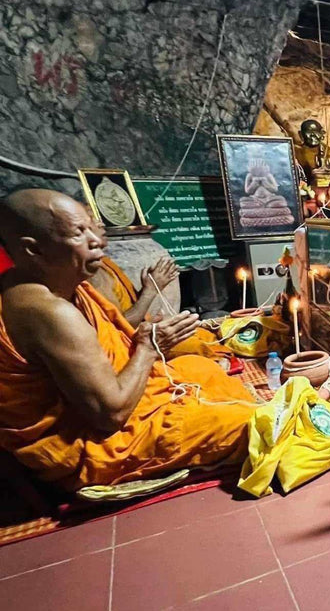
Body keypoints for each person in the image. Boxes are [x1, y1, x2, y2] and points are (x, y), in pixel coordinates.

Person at [0, 189, 257, 492]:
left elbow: (116, 333)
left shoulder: (64, 285)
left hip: (118, 399)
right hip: (94, 442)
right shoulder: (49, 312)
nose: (96, 238)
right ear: (34, 250)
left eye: (91, 225)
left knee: (201, 369)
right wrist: (150, 346)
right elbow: (111, 415)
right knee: (251, 422)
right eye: (78, 232)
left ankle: (208, 412)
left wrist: (152, 339)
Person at [90, 251, 230, 359]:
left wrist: (147, 289)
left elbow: (126, 305)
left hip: (144, 328)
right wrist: (151, 289)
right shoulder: (92, 275)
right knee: (199, 349)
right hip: (132, 343)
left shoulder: (105, 264)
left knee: (203, 334)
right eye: (90, 220)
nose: (99, 223)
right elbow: (118, 328)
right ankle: (219, 362)